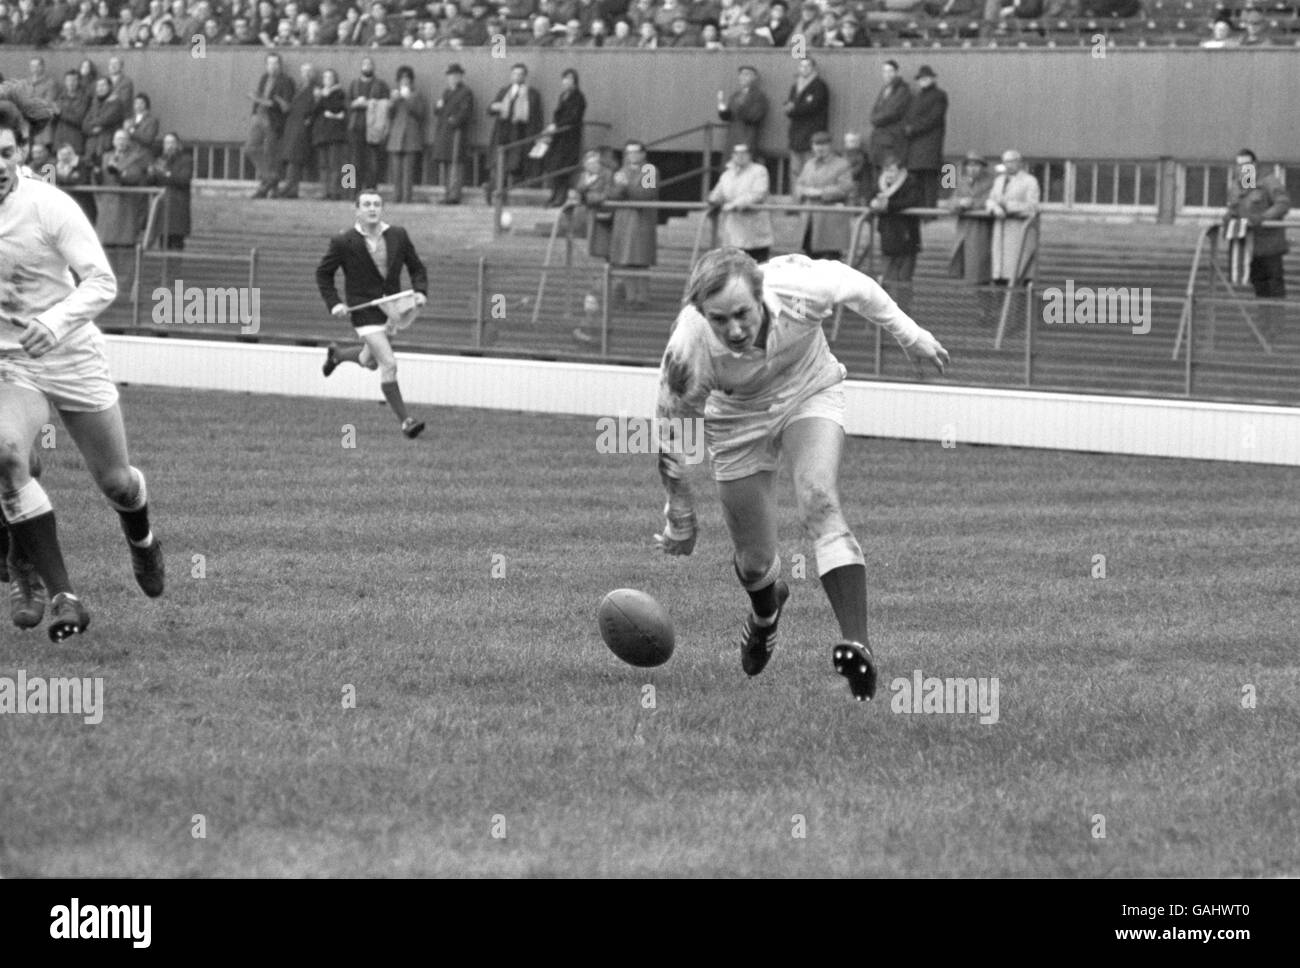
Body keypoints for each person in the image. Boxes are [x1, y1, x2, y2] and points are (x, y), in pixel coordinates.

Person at [651, 246, 949, 700]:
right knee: (754, 562)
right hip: (734, 422)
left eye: (741, 314)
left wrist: (910, 336)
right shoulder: (688, 346)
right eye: (719, 319)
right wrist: (680, 513)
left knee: (819, 500)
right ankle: (766, 615)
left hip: (809, 390)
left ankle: (858, 647)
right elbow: (672, 428)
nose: (733, 329)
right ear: (700, 312)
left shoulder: (799, 286)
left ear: (760, 294)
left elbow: (861, 288)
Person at [0, 86, 165, 643]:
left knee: (117, 482)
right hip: (10, 364)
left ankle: (142, 540)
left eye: (6, 152)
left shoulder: (48, 206)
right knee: (6, 454)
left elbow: (102, 281)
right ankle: (56, 589)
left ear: (22, 152)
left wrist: (55, 321)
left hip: (69, 352)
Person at [316, 190, 430, 439]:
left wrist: (420, 291)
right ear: (357, 210)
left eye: (377, 204)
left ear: (382, 209)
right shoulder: (343, 241)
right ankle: (406, 421)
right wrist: (334, 303)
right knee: (388, 363)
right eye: (366, 204)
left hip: (392, 310)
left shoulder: (398, 235)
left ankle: (337, 355)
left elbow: (416, 267)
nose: (372, 208)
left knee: (369, 362)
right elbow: (323, 274)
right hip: (363, 312)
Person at [1225, 148, 1291, 340]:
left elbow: (1283, 204)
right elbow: (1233, 209)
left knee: (1275, 287)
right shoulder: (1236, 186)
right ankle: (1263, 328)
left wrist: (1263, 217)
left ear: (1255, 164)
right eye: (1239, 164)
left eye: (1246, 164)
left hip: (1270, 245)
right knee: (1259, 288)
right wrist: (1228, 217)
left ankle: (1277, 329)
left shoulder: (1270, 181)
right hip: (1250, 246)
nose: (1242, 168)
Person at [869, 153, 923, 315]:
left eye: (893, 170)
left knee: (904, 278)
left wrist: (887, 205)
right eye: (887, 170)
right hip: (887, 234)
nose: (890, 174)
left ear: (901, 170)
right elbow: (869, 197)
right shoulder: (879, 183)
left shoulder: (911, 182)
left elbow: (913, 200)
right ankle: (888, 312)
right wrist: (873, 203)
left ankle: (903, 311)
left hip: (907, 235)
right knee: (887, 275)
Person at [571, 147, 615, 344]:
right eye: (589, 162)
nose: (592, 165)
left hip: (603, 221)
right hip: (586, 221)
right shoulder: (583, 177)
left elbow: (608, 195)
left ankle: (593, 329)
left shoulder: (608, 175)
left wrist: (590, 197)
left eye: (595, 161)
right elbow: (577, 193)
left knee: (600, 270)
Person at [607, 139, 659, 308]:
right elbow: (612, 194)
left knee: (640, 260)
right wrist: (620, 188)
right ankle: (630, 297)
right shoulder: (621, 171)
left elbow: (647, 194)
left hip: (641, 220)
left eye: (636, 152)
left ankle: (642, 297)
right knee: (625, 260)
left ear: (643, 153)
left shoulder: (649, 170)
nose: (633, 155)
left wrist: (625, 186)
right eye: (629, 152)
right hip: (623, 219)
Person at [486, 63, 544, 205]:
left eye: (520, 74)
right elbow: (490, 109)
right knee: (498, 164)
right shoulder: (505, 91)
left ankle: (501, 194)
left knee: (514, 165)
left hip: (519, 134)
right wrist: (495, 107)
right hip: (502, 133)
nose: (517, 76)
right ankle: (495, 193)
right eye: (515, 74)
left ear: (525, 76)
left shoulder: (532, 93)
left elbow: (536, 116)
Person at [708, 142, 774, 263]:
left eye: (744, 153)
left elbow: (758, 193)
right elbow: (718, 192)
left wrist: (735, 204)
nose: (740, 156)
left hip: (754, 230)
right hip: (734, 231)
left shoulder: (759, 171)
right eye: (737, 154)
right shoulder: (727, 174)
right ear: (732, 156)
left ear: (749, 155)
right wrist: (713, 199)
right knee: (734, 267)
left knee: (757, 267)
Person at [794, 130, 853, 261]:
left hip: (830, 221)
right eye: (816, 144)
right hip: (809, 221)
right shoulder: (809, 164)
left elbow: (845, 187)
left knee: (830, 260)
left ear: (830, 145)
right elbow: (799, 184)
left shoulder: (842, 164)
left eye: (824, 144)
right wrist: (803, 191)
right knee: (810, 259)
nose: (820, 148)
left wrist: (821, 192)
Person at [247, 52, 294, 199]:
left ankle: (267, 185)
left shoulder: (286, 81)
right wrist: (254, 112)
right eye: (269, 63)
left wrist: (258, 100)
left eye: (275, 63)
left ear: (280, 65)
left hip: (273, 120)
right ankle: (270, 177)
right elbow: (260, 97)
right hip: (259, 117)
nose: (272, 67)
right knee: (250, 148)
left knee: (270, 153)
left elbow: (284, 105)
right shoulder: (264, 78)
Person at [901, 65, 946, 209]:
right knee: (916, 179)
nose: (923, 81)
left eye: (926, 78)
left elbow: (934, 118)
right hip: (916, 145)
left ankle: (929, 211)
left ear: (933, 79)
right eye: (921, 79)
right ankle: (919, 210)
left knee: (929, 180)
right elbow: (908, 117)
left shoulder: (939, 95)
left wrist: (912, 129)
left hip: (929, 144)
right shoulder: (917, 97)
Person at [428, 63, 474, 206]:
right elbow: (437, 110)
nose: (452, 79)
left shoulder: (465, 92)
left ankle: (454, 194)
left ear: (460, 77)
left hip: (456, 133)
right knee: (447, 163)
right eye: (450, 76)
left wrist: (454, 120)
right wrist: (439, 106)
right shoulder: (446, 92)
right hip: (444, 133)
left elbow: (464, 112)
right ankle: (448, 192)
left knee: (455, 162)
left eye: (455, 76)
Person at [542, 68, 586, 208]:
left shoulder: (578, 97)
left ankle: (561, 195)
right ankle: (554, 194)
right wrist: (553, 126)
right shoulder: (563, 96)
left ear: (575, 81)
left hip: (569, 137)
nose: (566, 82)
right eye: (565, 79)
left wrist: (558, 126)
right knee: (554, 166)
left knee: (563, 167)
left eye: (570, 79)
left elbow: (573, 117)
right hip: (559, 137)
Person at [347, 56, 390, 196]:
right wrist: (355, 103)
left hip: (373, 128)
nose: (367, 66)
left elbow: (387, 104)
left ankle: (371, 191)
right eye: (364, 63)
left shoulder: (381, 85)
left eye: (370, 64)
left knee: (372, 162)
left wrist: (371, 104)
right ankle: (350, 190)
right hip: (355, 127)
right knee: (352, 162)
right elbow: (346, 104)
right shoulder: (354, 84)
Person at [784, 57, 829, 186]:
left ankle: (810, 200)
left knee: (811, 170)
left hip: (812, 136)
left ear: (813, 68)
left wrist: (793, 109)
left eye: (807, 66)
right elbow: (790, 106)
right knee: (795, 171)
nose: (804, 69)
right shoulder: (795, 86)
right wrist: (791, 108)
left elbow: (812, 107)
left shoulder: (819, 86)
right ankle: (796, 201)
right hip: (795, 135)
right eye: (801, 66)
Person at [868, 60, 911, 193]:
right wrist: (874, 118)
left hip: (890, 141)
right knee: (878, 177)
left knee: (889, 175)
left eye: (890, 71)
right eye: (884, 71)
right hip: (879, 142)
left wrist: (874, 119)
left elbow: (892, 112)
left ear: (897, 72)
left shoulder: (903, 90)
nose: (887, 74)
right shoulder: (885, 90)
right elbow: (875, 110)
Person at [277, 62, 318, 200]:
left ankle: (289, 186)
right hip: (292, 123)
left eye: (308, 72)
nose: (305, 75)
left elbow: (315, 108)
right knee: (291, 156)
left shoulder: (314, 89)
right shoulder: (299, 88)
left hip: (302, 125)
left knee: (295, 157)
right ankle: (292, 189)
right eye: (303, 71)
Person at [385, 65, 425, 205]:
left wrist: (407, 99)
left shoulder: (417, 95)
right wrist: (393, 102)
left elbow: (420, 114)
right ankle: (396, 196)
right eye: (402, 80)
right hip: (396, 136)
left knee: (408, 171)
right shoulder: (394, 94)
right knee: (396, 171)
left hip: (411, 136)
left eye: (407, 79)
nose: (404, 82)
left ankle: (407, 197)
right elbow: (390, 115)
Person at [148, 131, 191, 250]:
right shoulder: (160, 160)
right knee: (163, 245)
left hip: (178, 209)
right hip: (163, 209)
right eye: (167, 143)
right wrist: (151, 173)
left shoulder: (186, 160)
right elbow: (151, 181)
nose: (169, 146)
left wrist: (166, 173)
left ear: (178, 144)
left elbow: (183, 180)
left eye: (172, 143)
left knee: (176, 246)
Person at [311, 68, 348, 201]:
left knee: (335, 164)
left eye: (330, 77)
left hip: (335, 135)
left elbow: (334, 107)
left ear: (335, 79)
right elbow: (315, 111)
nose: (327, 80)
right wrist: (319, 98)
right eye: (325, 77)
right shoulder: (321, 95)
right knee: (323, 165)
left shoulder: (339, 93)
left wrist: (325, 96)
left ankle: (335, 191)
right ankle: (324, 191)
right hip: (321, 134)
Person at [716, 64, 768, 158]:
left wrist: (741, 106)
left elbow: (754, 117)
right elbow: (729, 116)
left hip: (747, 137)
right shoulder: (735, 96)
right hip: (733, 136)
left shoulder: (759, 96)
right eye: (741, 74)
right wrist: (721, 106)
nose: (742, 77)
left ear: (754, 78)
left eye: (746, 74)